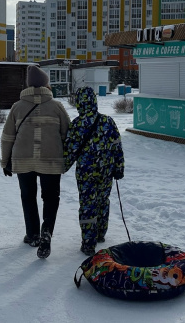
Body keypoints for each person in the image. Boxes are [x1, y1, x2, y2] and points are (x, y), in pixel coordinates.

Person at [1, 65, 70, 259]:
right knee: (51, 198)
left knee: (28, 197)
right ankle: (46, 231)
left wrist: (5, 161)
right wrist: (65, 157)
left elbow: (7, 137)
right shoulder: (57, 106)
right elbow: (67, 134)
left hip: (23, 160)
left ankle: (32, 235)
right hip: (51, 161)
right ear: (46, 84)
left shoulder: (17, 106)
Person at [64, 87, 125, 256]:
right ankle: (100, 233)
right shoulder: (108, 121)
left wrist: (62, 166)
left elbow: (70, 150)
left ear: (79, 103)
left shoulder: (76, 125)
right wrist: (119, 168)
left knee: (87, 205)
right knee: (103, 201)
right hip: (106, 171)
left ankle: (88, 243)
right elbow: (117, 146)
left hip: (85, 174)